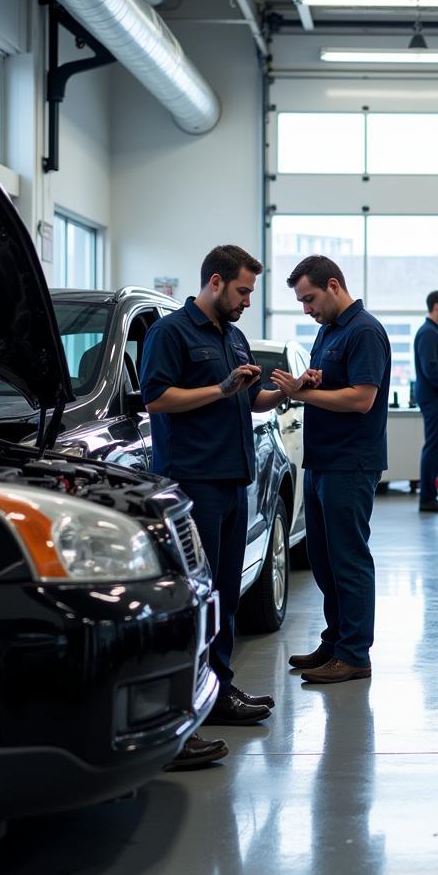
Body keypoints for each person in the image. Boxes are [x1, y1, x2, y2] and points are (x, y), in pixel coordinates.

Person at [140, 245, 292, 769]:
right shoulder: (171, 333)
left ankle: (218, 693)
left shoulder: (233, 335)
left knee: (226, 596)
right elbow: (156, 398)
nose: (248, 301)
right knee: (196, 601)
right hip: (192, 482)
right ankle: (181, 716)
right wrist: (220, 386)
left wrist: (284, 392)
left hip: (232, 482)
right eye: (243, 291)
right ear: (214, 282)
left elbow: (245, 401)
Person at [271, 255, 391, 685]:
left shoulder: (365, 332)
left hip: (350, 462)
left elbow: (361, 399)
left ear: (334, 285)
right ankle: (335, 640)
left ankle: (355, 655)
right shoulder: (329, 331)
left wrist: (303, 396)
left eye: (310, 298)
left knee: (348, 559)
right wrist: (310, 383)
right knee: (323, 560)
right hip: (322, 460)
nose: (306, 309)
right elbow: (338, 386)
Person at [413, 290, 438, 513]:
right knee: (433, 446)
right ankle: (428, 497)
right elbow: (429, 365)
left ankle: (430, 495)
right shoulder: (428, 333)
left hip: (436, 398)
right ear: (436, 307)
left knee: (436, 446)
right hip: (434, 398)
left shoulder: (433, 331)